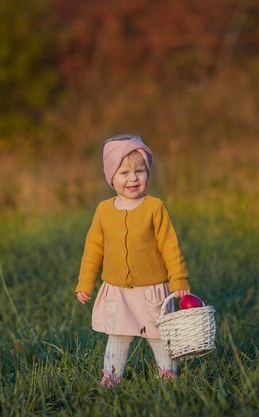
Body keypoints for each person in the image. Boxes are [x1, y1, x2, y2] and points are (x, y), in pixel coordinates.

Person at [75, 134, 190, 387]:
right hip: (118, 289)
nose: (133, 178)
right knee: (118, 334)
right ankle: (112, 375)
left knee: (158, 334)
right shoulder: (104, 210)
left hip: (152, 289)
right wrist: (85, 283)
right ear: (111, 177)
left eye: (140, 171)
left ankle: (167, 372)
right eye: (124, 172)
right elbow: (93, 248)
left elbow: (170, 246)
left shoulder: (154, 207)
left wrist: (178, 278)